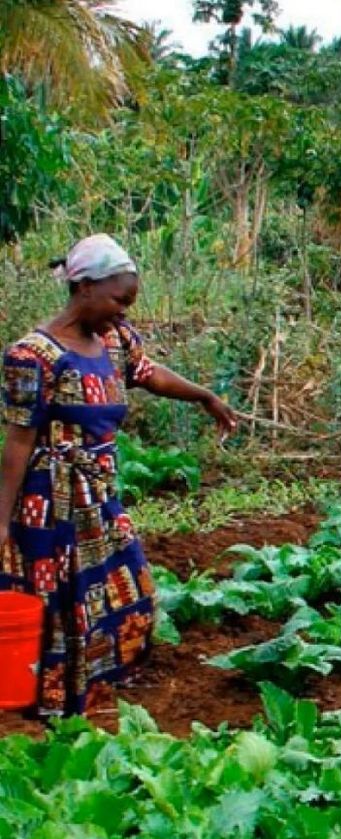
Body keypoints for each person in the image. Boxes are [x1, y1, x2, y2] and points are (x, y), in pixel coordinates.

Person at [0, 234, 237, 717]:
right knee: (65, 603)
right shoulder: (33, 356)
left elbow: (149, 373)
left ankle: (97, 690)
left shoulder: (114, 341)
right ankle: (55, 705)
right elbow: (18, 442)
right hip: (51, 502)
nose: (123, 312)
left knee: (131, 592)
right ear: (84, 287)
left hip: (100, 495)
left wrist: (204, 396)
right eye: (118, 300)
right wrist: (1, 521)